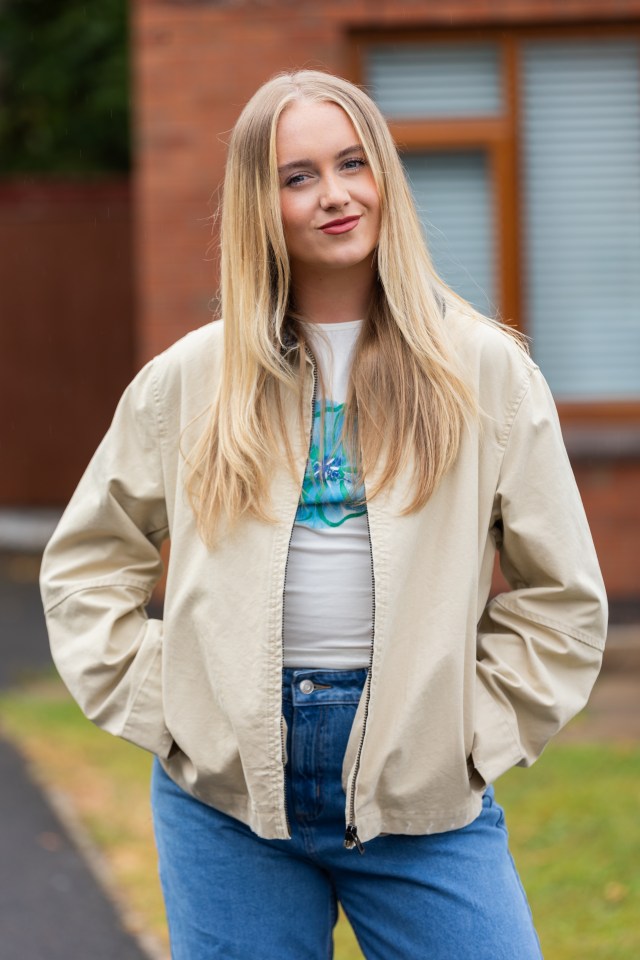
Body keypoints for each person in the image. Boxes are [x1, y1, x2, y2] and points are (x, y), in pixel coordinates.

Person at [40, 70, 607, 959]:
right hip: (226, 812)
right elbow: (84, 565)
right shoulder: (190, 379)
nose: (335, 195)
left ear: (384, 174)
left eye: (352, 163)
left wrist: (472, 738)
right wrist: (172, 706)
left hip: (425, 804)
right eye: (298, 176)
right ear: (258, 202)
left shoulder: (485, 373)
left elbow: (562, 597)